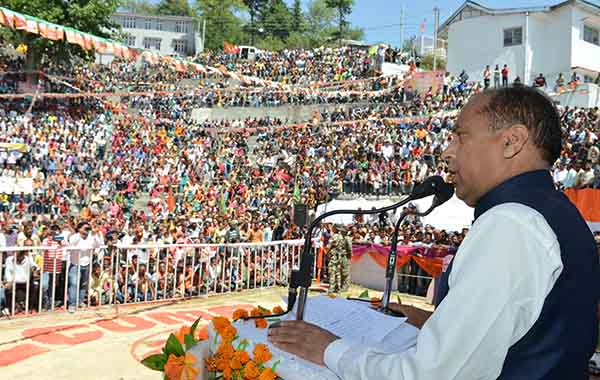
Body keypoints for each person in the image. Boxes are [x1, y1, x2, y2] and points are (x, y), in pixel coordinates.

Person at [268, 86, 599, 379]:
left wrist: (328, 348)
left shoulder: (512, 224)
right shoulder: (555, 212)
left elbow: (433, 375)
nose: (447, 152)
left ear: (512, 141)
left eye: (461, 136)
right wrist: (434, 322)